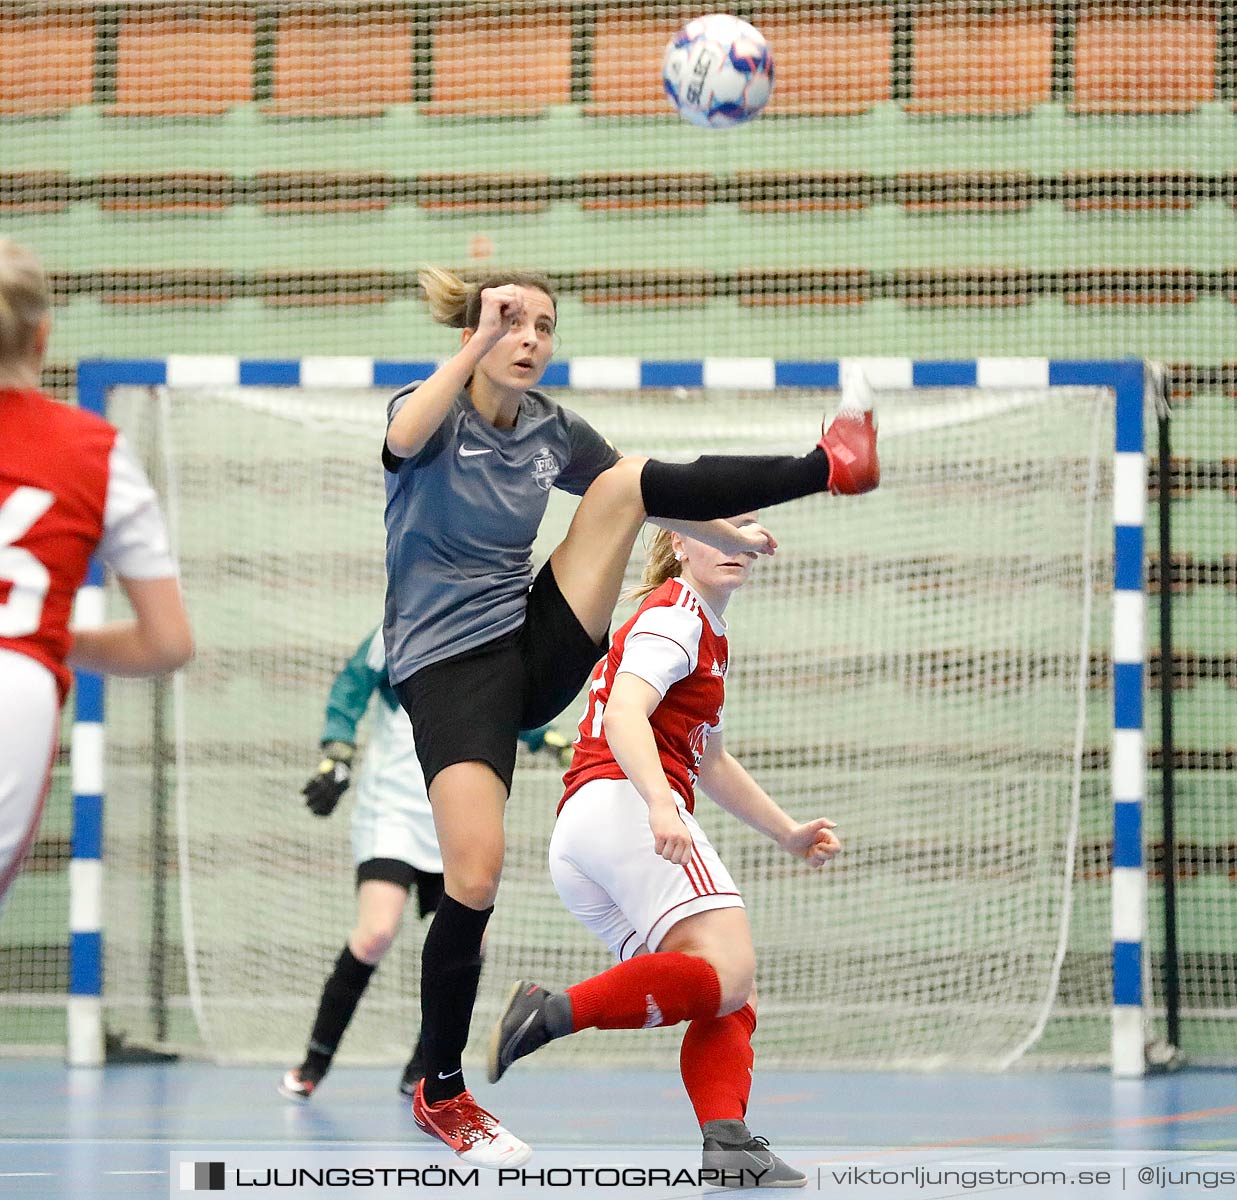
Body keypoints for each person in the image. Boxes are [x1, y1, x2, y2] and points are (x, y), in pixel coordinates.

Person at [387, 267, 876, 1166]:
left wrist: (730, 537)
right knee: (476, 876)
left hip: (531, 644)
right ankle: (439, 1089)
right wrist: (472, 342)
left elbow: (653, 487)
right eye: (509, 322)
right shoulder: (429, 413)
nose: (529, 338)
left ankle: (830, 466)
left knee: (618, 483)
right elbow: (405, 431)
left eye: (542, 324)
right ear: (473, 331)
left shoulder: (550, 431)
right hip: (449, 669)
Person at [485, 518, 839, 1188]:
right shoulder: (675, 616)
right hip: (623, 807)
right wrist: (656, 802)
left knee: (724, 989)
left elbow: (708, 758)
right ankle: (551, 1010)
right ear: (678, 541)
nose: (731, 546)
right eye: (716, 532)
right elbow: (623, 715)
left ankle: (728, 1145)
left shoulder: (700, 626)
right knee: (729, 969)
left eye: (744, 535)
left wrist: (786, 831)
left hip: (587, 829)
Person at [278, 625, 574, 1103]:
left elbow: (506, 701)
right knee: (375, 932)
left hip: (454, 814)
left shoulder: (485, 628)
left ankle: (425, 1067)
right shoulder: (395, 631)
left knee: (469, 941)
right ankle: (315, 1060)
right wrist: (337, 753)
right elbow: (350, 688)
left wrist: (550, 739)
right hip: (390, 814)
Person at [0, 239, 193, 909]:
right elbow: (167, 642)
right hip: (18, 685)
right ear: (42, 335)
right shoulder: (94, 449)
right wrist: (49, 636)